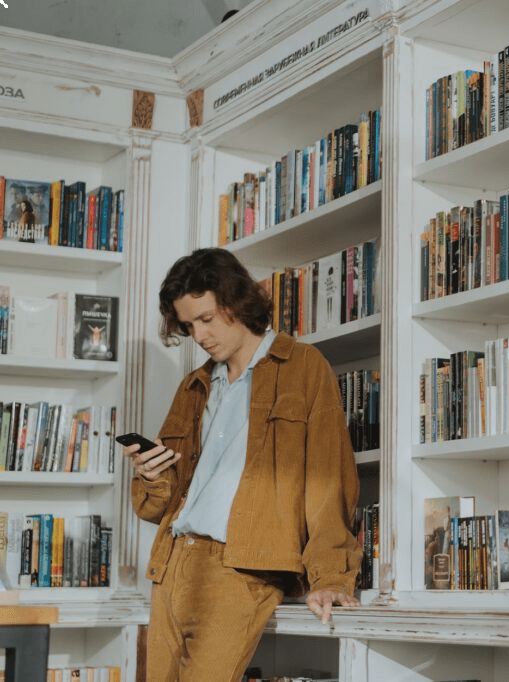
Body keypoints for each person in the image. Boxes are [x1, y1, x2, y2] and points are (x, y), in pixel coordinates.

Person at [124, 247, 362, 682]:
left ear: (236, 301)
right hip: (172, 563)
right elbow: (157, 505)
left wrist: (331, 577)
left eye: (208, 318)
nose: (199, 335)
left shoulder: (303, 368)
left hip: (241, 569)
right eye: (189, 325)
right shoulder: (193, 387)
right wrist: (150, 475)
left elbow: (329, 480)